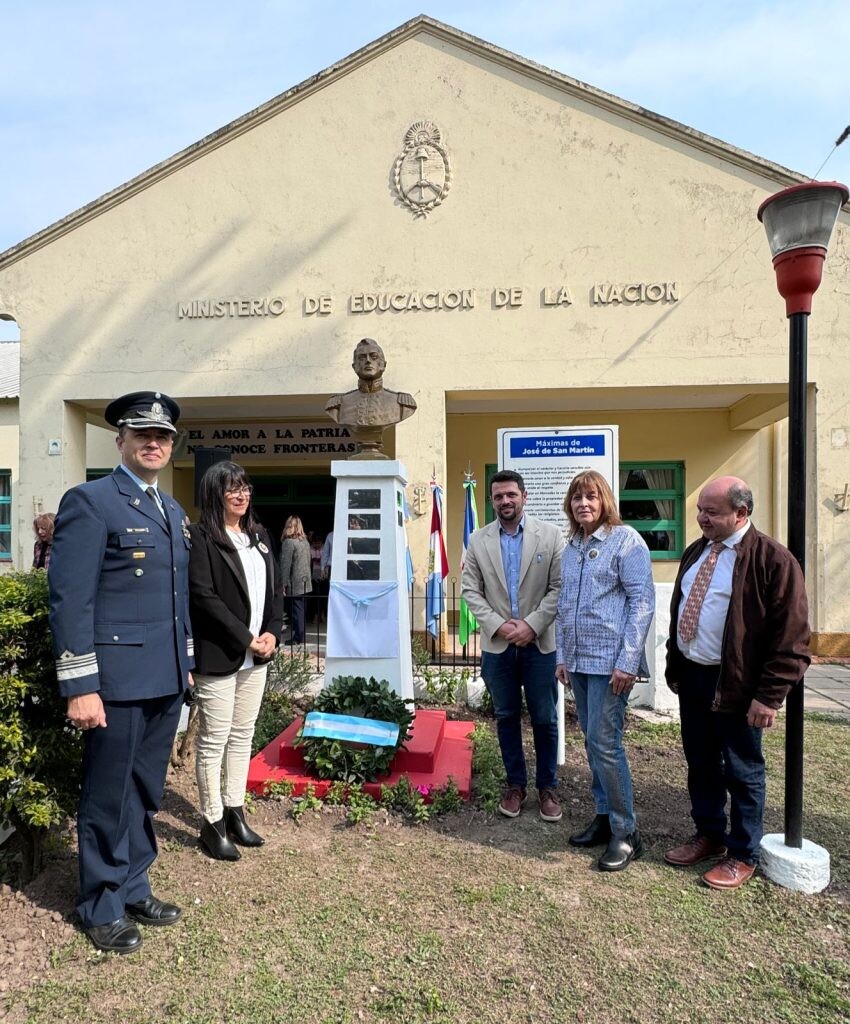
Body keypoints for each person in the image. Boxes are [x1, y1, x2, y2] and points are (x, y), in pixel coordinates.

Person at [48, 391, 193, 955]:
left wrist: (184, 669)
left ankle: (134, 884)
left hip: (162, 678)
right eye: (143, 435)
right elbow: (71, 601)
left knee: (143, 790)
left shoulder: (171, 509)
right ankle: (100, 903)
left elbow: (175, 600)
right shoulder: (91, 501)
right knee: (108, 796)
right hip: (114, 681)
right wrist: (80, 685)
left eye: (163, 437)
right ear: (122, 442)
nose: (154, 444)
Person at [664, 476, 810, 889]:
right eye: (700, 510)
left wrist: (768, 696)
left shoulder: (773, 561)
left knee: (743, 770)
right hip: (695, 677)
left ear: (741, 513)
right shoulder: (697, 551)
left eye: (712, 512)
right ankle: (709, 834)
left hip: (740, 686)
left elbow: (793, 639)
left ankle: (742, 852)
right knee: (701, 762)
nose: (701, 518)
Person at [555, 471, 655, 871]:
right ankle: (603, 817)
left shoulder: (625, 540)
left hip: (611, 664)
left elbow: (642, 602)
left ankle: (626, 832)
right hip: (579, 660)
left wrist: (628, 661)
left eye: (591, 497)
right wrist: (561, 656)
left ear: (604, 501)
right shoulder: (572, 547)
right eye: (577, 498)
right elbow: (563, 607)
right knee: (593, 743)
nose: (584, 504)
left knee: (605, 744)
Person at [188, 462, 283, 861]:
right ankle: (211, 824)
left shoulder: (258, 536)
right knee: (214, 740)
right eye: (232, 490)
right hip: (220, 653)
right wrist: (246, 639)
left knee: (243, 735)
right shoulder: (201, 538)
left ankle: (234, 811)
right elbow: (204, 597)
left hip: (257, 655)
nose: (242, 496)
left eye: (245, 488)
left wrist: (273, 634)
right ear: (215, 494)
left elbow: (275, 590)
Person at [461, 470, 564, 821]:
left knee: (545, 719)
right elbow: (470, 590)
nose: (505, 501)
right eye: (498, 496)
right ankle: (515, 785)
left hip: (539, 646)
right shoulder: (478, 540)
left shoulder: (550, 537)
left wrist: (532, 625)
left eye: (511, 495)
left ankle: (547, 787)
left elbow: (559, 588)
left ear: (524, 496)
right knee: (506, 717)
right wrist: (499, 625)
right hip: (498, 646)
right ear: (492, 501)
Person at [325, 338, 417, 458]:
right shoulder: (338, 405)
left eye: (373, 357)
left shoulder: (401, 404)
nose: (368, 361)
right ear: (354, 366)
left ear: (383, 365)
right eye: (362, 358)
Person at [279, 515, 312, 644]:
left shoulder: (288, 542)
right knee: (301, 610)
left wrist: (283, 583)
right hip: (306, 581)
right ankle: (300, 635)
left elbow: (285, 565)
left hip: (295, 581)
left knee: (296, 611)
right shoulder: (305, 542)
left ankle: (298, 637)